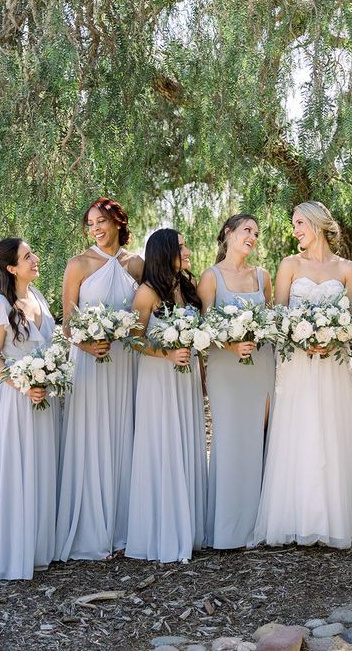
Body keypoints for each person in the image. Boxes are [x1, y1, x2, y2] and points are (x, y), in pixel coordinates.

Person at [251, 201, 352, 548]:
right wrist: (302, 339)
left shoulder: (348, 269)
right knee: (299, 431)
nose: (296, 230)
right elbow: (279, 316)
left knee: (333, 431)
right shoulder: (289, 264)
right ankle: (296, 519)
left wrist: (333, 338)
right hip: (297, 363)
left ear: (318, 224)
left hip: (334, 363)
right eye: (294, 224)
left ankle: (333, 520)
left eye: (300, 222)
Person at [55, 197, 143, 561]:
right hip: (89, 362)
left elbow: (145, 312)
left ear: (118, 223)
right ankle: (91, 530)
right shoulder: (78, 265)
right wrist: (86, 345)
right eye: (90, 222)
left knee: (124, 436)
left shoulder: (135, 264)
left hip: (126, 362)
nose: (96, 228)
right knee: (92, 437)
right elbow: (66, 324)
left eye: (102, 220)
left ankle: (125, 530)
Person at [0, 238, 59, 580]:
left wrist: (49, 378)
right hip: (17, 397)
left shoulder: (37, 298)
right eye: (27, 256)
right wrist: (24, 384)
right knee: (18, 467)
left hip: (45, 395)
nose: (35, 259)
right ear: (11, 268)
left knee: (41, 465)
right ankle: (11, 548)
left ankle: (37, 546)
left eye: (33, 252)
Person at [125, 229, 207, 563]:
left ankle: (190, 527)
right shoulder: (147, 293)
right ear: (165, 252)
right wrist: (166, 354)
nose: (187, 252)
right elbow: (134, 340)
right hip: (159, 378)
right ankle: (162, 532)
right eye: (181, 247)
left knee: (186, 441)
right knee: (163, 444)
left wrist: (200, 374)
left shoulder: (186, 286)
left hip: (185, 378)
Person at [197, 214, 275, 549]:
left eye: (256, 233)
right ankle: (227, 530)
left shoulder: (263, 276)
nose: (253, 237)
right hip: (225, 368)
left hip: (262, 365)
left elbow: (272, 319)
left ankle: (258, 525)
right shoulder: (211, 277)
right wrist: (229, 344)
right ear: (228, 233)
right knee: (229, 439)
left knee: (258, 437)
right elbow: (201, 329)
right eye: (247, 230)